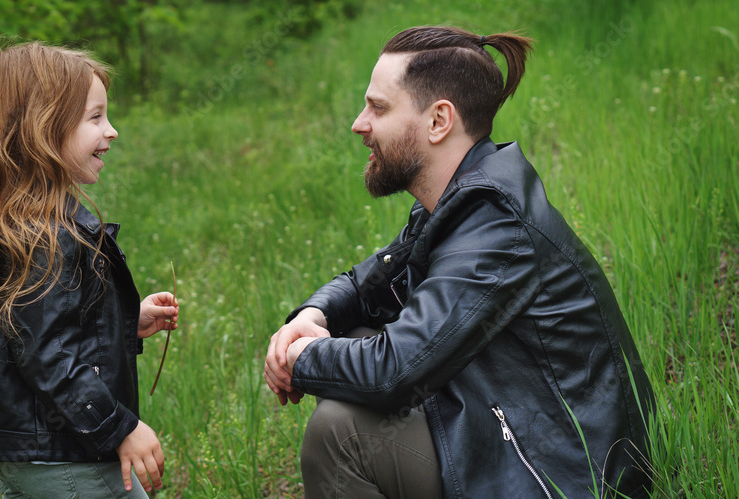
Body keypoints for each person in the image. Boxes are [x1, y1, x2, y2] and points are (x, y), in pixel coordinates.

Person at [264, 26, 655, 498]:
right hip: (502, 421)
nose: (359, 124)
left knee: (340, 432)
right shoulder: (458, 202)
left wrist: (299, 357)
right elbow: (371, 284)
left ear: (438, 121)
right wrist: (313, 316)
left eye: (379, 108)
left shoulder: (496, 227)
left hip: (564, 474)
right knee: (353, 338)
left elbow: (395, 371)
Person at [0, 41, 178, 498]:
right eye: (95, 117)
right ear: (41, 130)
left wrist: (125, 323)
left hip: (26, 452)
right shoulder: (49, 236)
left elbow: (33, 330)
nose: (112, 131)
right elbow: (49, 355)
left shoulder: (16, 224)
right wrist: (120, 428)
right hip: (67, 455)